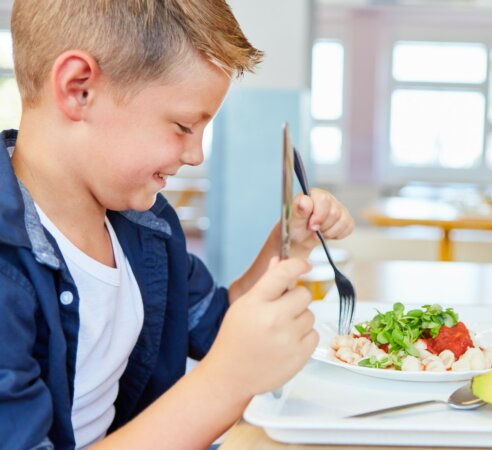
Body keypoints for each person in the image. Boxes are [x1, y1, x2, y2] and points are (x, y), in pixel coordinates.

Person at [0, 1, 355, 449]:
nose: (196, 155)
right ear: (79, 89)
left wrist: (289, 243)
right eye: (184, 125)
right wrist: (226, 381)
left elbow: (219, 323)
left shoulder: (148, 226)